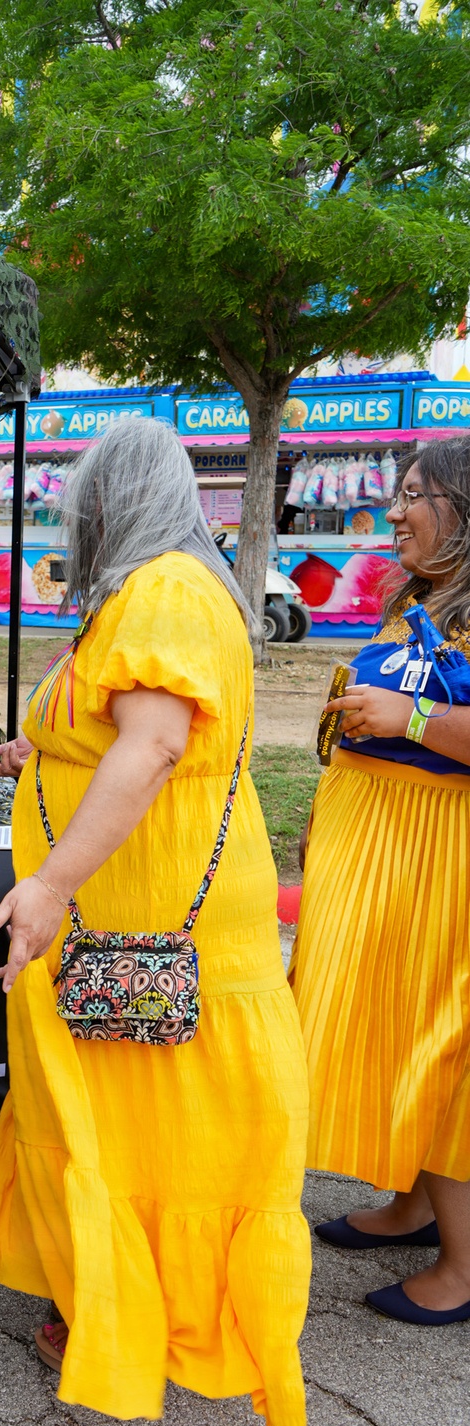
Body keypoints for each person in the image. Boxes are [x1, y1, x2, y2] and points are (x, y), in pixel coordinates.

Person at [0, 419, 311, 1426]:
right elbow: (127, 724)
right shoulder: (155, 589)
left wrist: (49, 886)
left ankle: (140, 1310)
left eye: (82, 502)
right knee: (136, 1116)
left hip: (139, 909)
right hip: (131, 905)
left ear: (109, 500)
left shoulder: (161, 589)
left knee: (153, 1117)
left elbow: (159, 743)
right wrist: (39, 746)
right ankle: (119, 1294)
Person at [292, 436, 470, 1326]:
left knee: (441, 1047)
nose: (394, 510)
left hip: (443, 859)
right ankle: (410, 1202)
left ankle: (465, 1265)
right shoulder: (422, 598)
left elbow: (422, 719)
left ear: (464, 510)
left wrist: (415, 715)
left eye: (414, 494)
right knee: (394, 1031)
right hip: (378, 849)